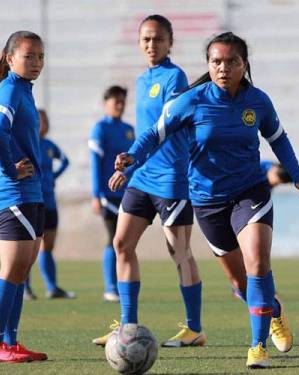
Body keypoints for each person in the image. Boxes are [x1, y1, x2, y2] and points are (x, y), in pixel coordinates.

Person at [109, 31, 299, 369]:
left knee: (258, 264)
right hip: (207, 201)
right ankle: (273, 310)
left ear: (244, 64)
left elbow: (278, 139)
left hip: (250, 193)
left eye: (231, 61)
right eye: (216, 61)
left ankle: (257, 346)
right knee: (239, 283)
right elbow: (156, 132)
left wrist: (297, 176)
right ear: (208, 65)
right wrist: (132, 156)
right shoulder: (192, 99)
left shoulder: (258, 102)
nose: (223, 68)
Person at [92, 14, 206, 349]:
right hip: (142, 177)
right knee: (122, 244)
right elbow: (144, 133)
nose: (151, 45)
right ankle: (127, 325)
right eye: (145, 39)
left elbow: (163, 130)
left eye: (157, 39)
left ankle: (195, 328)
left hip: (171, 179)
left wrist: (131, 160)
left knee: (180, 252)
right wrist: (129, 167)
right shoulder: (142, 81)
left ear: (170, 42)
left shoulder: (175, 77)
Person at [0, 30, 47, 363]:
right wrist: (10, 170)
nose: (35, 62)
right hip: (13, 192)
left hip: (31, 192)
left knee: (22, 269)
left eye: (40, 57)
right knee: (11, 268)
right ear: (10, 59)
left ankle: (10, 342)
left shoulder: (24, 91)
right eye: (28, 56)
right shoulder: (9, 89)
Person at [88, 85, 135, 303]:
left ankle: (121, 284)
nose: (119, 105)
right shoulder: (100, 129)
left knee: (124, 240)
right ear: (106, 103)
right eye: (115, 101)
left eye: (122, 101)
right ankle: (110, 286)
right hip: (108, 194)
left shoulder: (128, 129)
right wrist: (96, 194)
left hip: (127, 193)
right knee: (113, 238)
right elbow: (95, 164)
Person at [23, 109, 74, 300]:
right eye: (40, 120)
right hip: (33, 201)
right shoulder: (28, 144)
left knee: (48, 246)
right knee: (28, 248)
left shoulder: (49, 146)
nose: (43, 124)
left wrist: (54, 176)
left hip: (50, 202)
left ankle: (52, 288)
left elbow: (65, 161)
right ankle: (25, 288)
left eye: (45, 120)